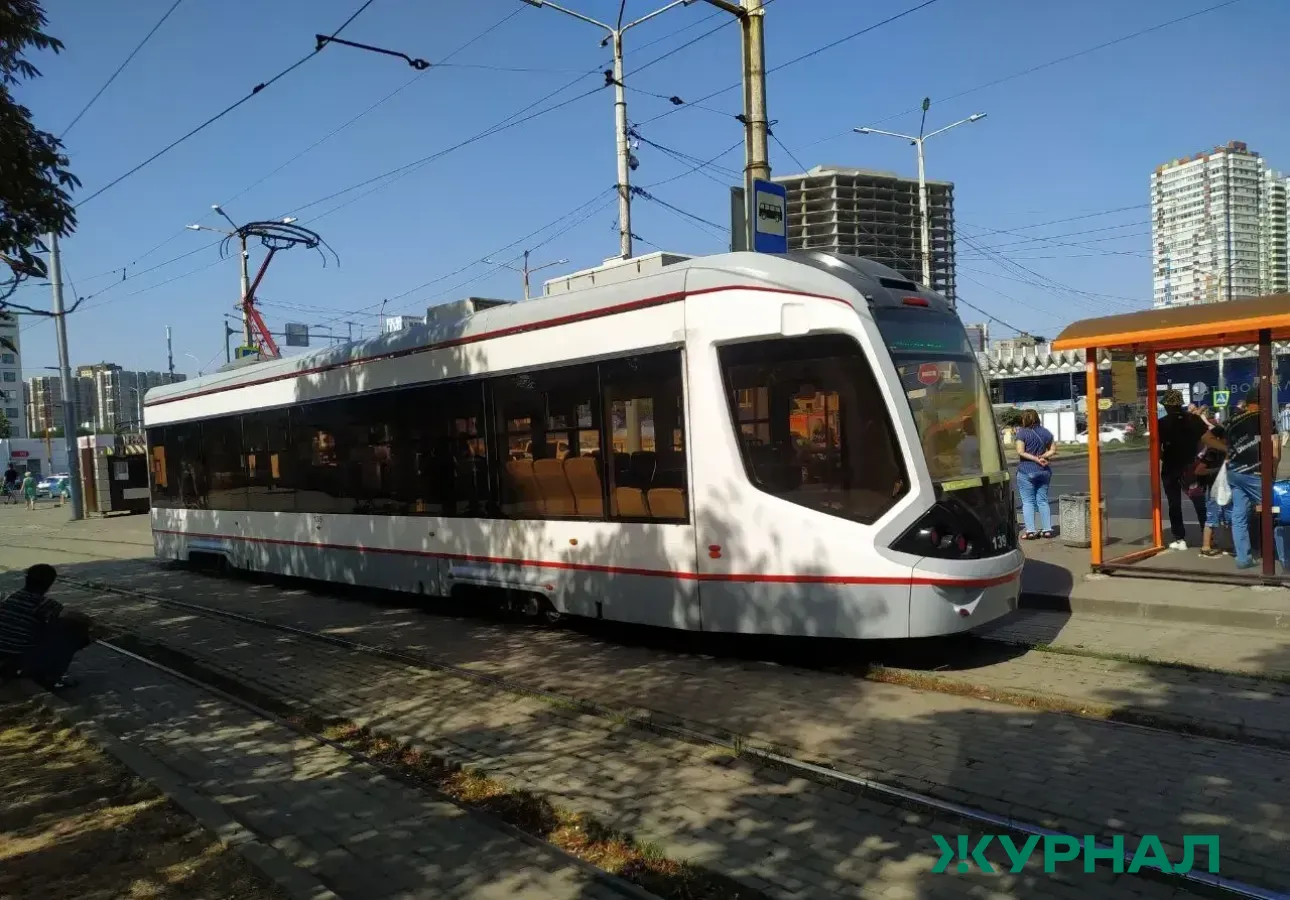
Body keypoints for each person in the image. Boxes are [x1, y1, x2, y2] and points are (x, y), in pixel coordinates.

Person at [1218, 384, 1283, 571]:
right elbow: (1275, 452)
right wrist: (1272, 473)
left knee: (1239, 514)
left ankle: (1243, 558)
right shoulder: (1265, 420)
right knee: (1277, 508)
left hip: (1234, 473)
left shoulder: (1232, 420)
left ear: (1247, 402)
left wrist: (1228, 449)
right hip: (1255, 474)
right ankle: (1276, 554)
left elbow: (1207, 437)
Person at [0, 564, 92, 689]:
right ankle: (51, 679)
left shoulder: (13, 597)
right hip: (19, 655)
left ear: (27, 579)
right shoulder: (46, 604)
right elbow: (76, 617)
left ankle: (18, 669)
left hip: (3, 651)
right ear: (49, 584)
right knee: (73, 632)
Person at [1158, 389, 1208, 550]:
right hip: (1191, 467)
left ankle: (1180, 539)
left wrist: (1163, 456)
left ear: (1168, 406)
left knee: (1174, 504)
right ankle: (1207, 536)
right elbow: (1205, 441)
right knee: (1199, 502)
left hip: (1171, 467)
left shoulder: (1162, 423)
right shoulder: (1195, 420)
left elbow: (1157, 447)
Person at [1014, 409, 1056, 540]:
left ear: (1024, 419)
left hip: (1026, 470)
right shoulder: (1046, 432)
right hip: (1044, 471)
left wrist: (1035, 459)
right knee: (1042, 500)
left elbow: (1020, 451)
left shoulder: (1022, 433)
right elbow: (1053, 450)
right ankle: (1047, 529)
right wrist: (1042, 457)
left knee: (1028, 502)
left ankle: (1031, 531)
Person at [1195, 422, 1231, 558]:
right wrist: (1218, 470)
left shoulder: (1225, 451)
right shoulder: (1213, 452)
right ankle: (1206, 546)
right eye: (1227, 438)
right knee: (1212, 516)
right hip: (1214, 488)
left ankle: (1228, 544)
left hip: (1223, 487)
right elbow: (1199, 471)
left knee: (1228, 516)